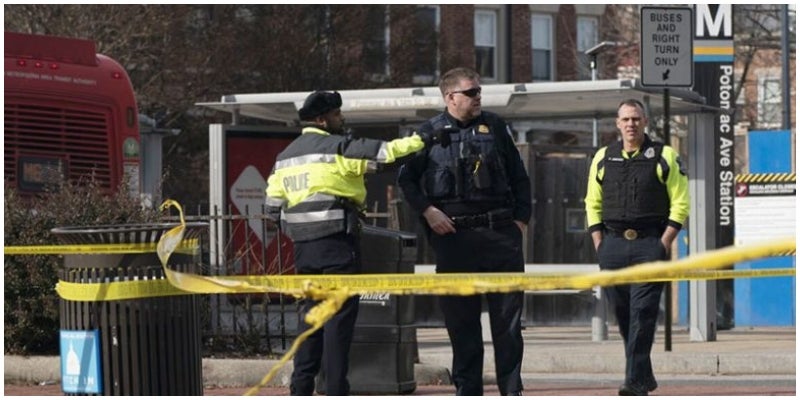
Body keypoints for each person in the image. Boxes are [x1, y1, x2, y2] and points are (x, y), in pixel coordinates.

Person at [265, 90, 450, 396]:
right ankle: (336, 390)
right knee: (338, 323)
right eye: (337, 114)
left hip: (304, 249)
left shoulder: (285, 157)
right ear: (322, 120)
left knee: (311, 320)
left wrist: (299, 228)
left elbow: (272, 207)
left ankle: (301, 389)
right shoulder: (338, 147)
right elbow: (388, 153)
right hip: (338, 244)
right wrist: (425, 137)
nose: (342, 119)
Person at [397, 67, 531, 396]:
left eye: (479, 91)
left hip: (500, 236)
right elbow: (406, 180)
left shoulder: (496, 127)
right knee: (461, 324)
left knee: (508, 324)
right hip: (455, 241)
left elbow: (520, 177)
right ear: (450, 97)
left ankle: (511, 390)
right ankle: (468, 391)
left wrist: (520, 221)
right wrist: (428, 212)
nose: (478, 97)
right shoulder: (428, 133)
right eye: (471, 92)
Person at [584, 99, 689, 396]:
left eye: (636, 119)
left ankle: (633, 382)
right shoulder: (603, 157)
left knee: (642, 313)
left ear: (645, 122)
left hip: (649, 245)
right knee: (624, 316)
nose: (631, 124)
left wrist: (663, 243)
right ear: (617, 124)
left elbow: (680, 202)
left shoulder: (665, 155)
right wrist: (599, 243)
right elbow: (592, 202)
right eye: (626, 119)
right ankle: (644, 375)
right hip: (612, 245)